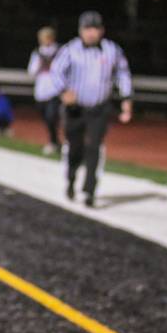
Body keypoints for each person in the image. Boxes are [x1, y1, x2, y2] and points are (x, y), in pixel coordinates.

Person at [45, 10, 133, 207]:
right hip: (75, 108)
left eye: (95, 29)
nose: (91, 33)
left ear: (102, 30)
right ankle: (71, 177)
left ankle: (89, 191)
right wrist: (64, 91)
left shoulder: (112, 50)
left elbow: (123, 73)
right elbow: (56, 71)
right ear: (81, 31)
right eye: (87, 29)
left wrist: (126, 99)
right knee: (75, 147)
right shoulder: (70, 49)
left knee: (94, 147)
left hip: (99, 107)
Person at [27, 26, 61, 154]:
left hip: (55, 90)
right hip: (41, 91)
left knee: (51, 116)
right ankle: (55, 140)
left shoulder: (60, 51)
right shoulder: (37, 52)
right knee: (46, 117)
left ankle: (54, 142)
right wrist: (40, 64)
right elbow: (31, 71)